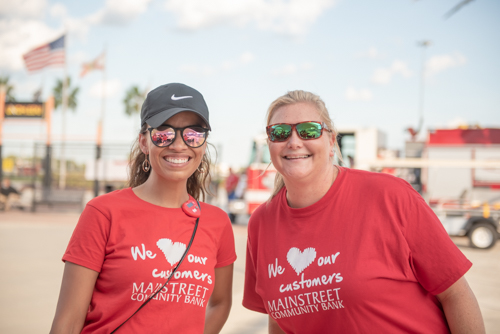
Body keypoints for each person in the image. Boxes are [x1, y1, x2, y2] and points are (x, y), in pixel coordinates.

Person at [242, 90, 485, 333]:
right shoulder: (261, 224)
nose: (293, 141)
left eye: (309, 130)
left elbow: (456, 294)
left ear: (331, 142)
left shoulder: (389, 195)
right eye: (280, 132)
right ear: (270, 143)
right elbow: (279, 323)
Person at [50, 83, 236, 334]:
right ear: (144, 142)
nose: (179, 145)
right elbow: (68, 322)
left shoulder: (217, 222)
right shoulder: (103, 212)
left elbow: (220, 303)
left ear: (203, 143)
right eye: (164, 133)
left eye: (193, 133)